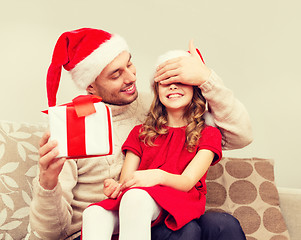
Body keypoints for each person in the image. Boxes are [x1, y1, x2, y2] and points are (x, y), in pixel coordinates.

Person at [30, 28, 251, 240]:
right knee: (184, 231)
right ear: (91, 86)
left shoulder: (158, 107)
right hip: (113, 217)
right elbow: (47, 233)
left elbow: (241, 135)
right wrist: (48, 183)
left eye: (129, 64)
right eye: (116, 74)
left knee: (223, 225)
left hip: (163, 207)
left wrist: (206, 78)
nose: (131, 78)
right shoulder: (71, 128)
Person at [81, 49, 223, 240]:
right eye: (165, 83)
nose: (172, 87)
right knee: (94, 213)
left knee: (135, 198)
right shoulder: (141, 132)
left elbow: (187, 182)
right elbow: (127, 180)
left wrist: (157, 176)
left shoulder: (208, 133)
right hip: (139, 200)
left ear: (194, 89)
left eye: (180, 82)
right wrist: (116, 187)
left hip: (178, 200)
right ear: (157, 90)